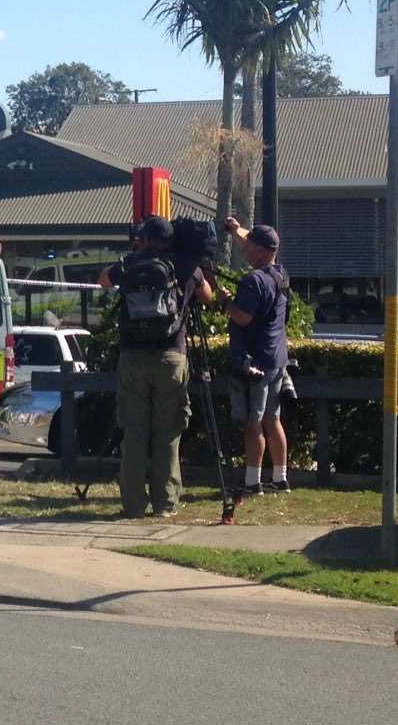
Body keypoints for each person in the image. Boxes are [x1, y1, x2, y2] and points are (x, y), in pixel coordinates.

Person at [99, 217, 212, 519]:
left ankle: (133, 504)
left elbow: (103, 280)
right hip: (172, 358)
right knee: (168, 433)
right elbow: (207, 296)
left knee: (134, 433)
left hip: (132, 357)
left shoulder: (129, 264)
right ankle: (165, 503)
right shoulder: (185, 266)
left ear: (144, 238)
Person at [211, 218, 292, 500]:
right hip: (276, 359)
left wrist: (224, 301)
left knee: (253, 423)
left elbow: (242, 318)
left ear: (260, 250)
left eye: (249, 246)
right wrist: (236, 230)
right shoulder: (279, 274)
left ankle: (252, 482)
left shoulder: (253, 281)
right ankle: (280, 478)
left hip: (255, 361)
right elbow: (253, 242)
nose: (244, 250)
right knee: (273, 419)